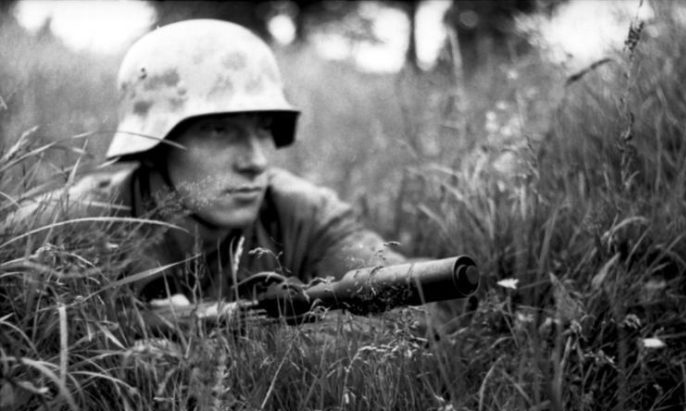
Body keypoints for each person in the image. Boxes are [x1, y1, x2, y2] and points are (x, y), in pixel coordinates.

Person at [7, 19, 408, 318]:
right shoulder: (62, 227)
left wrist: (250, 331)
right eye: (220, 130)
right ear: (156, 142)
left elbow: (417, 308)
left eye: (262, 129)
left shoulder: (302, 213)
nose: (255, 161)